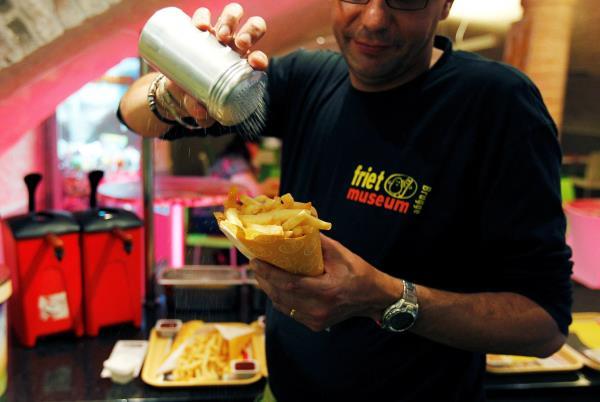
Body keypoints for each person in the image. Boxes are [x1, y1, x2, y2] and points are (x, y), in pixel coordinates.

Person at [119, 1, 573, 400]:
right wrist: (176, 95)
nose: (374, 18)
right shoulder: (309, 80)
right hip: (286, 389)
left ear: (445, 3)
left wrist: (387, 298)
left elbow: (544, 325)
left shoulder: (497, 103)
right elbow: (132, 110)